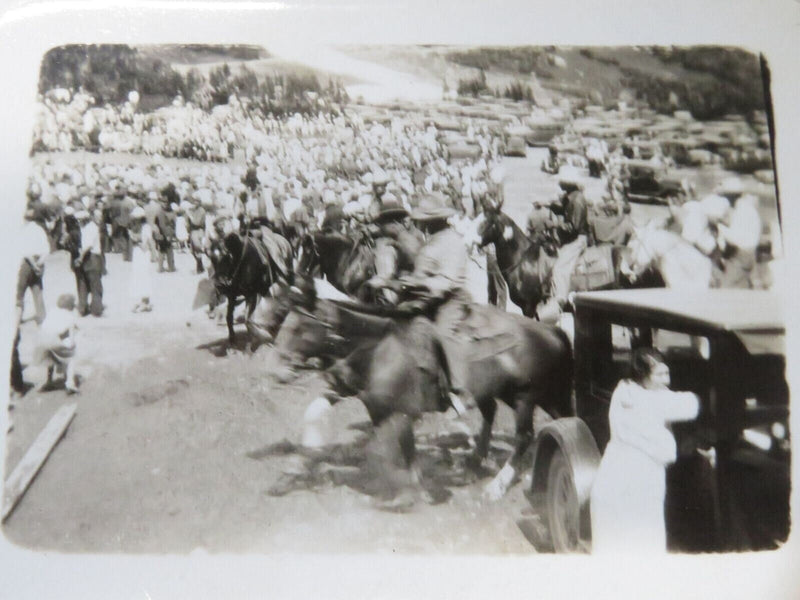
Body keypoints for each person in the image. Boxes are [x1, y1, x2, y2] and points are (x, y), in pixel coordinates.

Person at [591, 348, 700, 554]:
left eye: (667, 374)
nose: (666, 381)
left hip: (612, 474)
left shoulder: (622, 389)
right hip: (641, 479)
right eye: (660, 375)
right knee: (645, 545)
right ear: (643, 376)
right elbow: (693, 404)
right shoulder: (658, 400)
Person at [33, 293, 80, 394]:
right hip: (52, 341)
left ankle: (49, 381)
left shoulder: (52, 311)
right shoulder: (70, 316)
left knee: (51, 356)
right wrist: (70, 345)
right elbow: (71, 340)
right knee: (71, 355)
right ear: (71, 306)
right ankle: (70, 383)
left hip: (40, 341)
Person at [73, 209, 104, 317]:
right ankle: (95, 309)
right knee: (93, 284)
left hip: (89, 257)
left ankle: (84, 308)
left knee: (85, 284)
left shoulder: (87, 229)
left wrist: (80, 258)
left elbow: (86, 245)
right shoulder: (91, 228)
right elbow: (87, 245)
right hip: (93, 257)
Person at [128, 206, 154, 312]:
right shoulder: (134, 227)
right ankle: (141, 300)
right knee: (137, 276)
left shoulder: (146, 227)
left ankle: (145, 301)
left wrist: (135, 240)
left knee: (144, 276)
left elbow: (146, 244)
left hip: (143, 254)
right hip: (137, 254)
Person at [154, 200, 177, 272]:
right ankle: (171, 267)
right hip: (165, 233)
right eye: (163, 203)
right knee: (168, 250)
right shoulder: (164, 212)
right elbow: (164, 225)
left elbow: (159, 224)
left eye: (165, 203)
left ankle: (161, 268)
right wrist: (168, 235)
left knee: (162, 250)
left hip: (162, 233)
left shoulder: (159, 212)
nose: (165, 204)